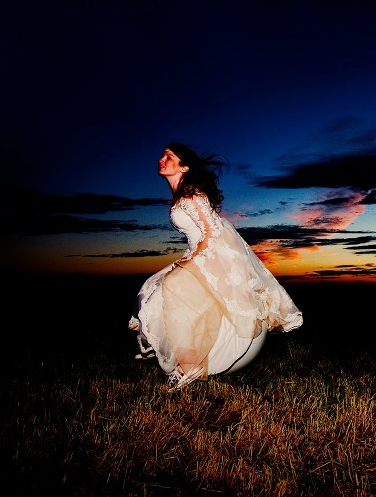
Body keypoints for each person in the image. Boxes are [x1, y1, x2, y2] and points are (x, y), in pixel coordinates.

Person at [129, 143, 302, 387]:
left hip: (210, 252)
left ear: (184, 166)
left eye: (169, 156)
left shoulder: (191, 195)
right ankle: (188, 361)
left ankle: (190, 367)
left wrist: (193, 259)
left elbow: (211, 232)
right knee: (156, 287)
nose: (161, 159)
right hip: (199, 252)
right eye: (162, 155)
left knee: (173, 285)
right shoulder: (183, 195)